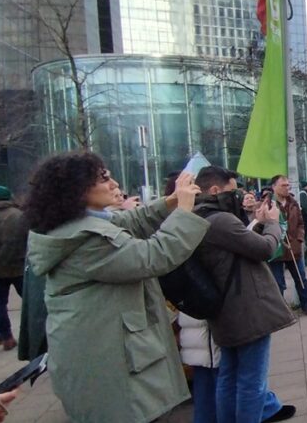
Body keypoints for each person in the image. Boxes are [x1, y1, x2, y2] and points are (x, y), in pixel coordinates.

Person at [24, 152, 208, 422]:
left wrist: (169, 202)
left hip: (98, 348)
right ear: (77, 188)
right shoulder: (87, 238)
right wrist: (183, 211)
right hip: (107, 357)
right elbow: (154, 257)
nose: (114, 184)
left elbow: (129, 221)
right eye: (104, 178)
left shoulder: (77, 225)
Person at [192, 166, 297, 423]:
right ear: (215, 190)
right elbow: (264, 249)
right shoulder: (220, 220)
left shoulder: (196, 218)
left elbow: (237, 247)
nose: (238, 196)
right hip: (246, 309)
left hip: (224, 310)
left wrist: (258, 223)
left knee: (229, 376)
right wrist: (273, 224)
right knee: (252, 382)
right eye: (233, 191)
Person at [267, 175, 307, 316]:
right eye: (283, 185)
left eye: (288, 185)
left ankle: (306, 305)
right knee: (278, 282)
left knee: (301, 278)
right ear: (274, 187)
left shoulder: (293, 203)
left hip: (294, 248)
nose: (287, 188)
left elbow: (300, 223)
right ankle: (281, 312)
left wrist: (299, 239)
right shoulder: (267, 204)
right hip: (276, 249)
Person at [0, 186, 27, 350]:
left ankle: (7, 338)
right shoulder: (20, 215)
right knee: (30, 302)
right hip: (20, 267)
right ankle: (36, 332)